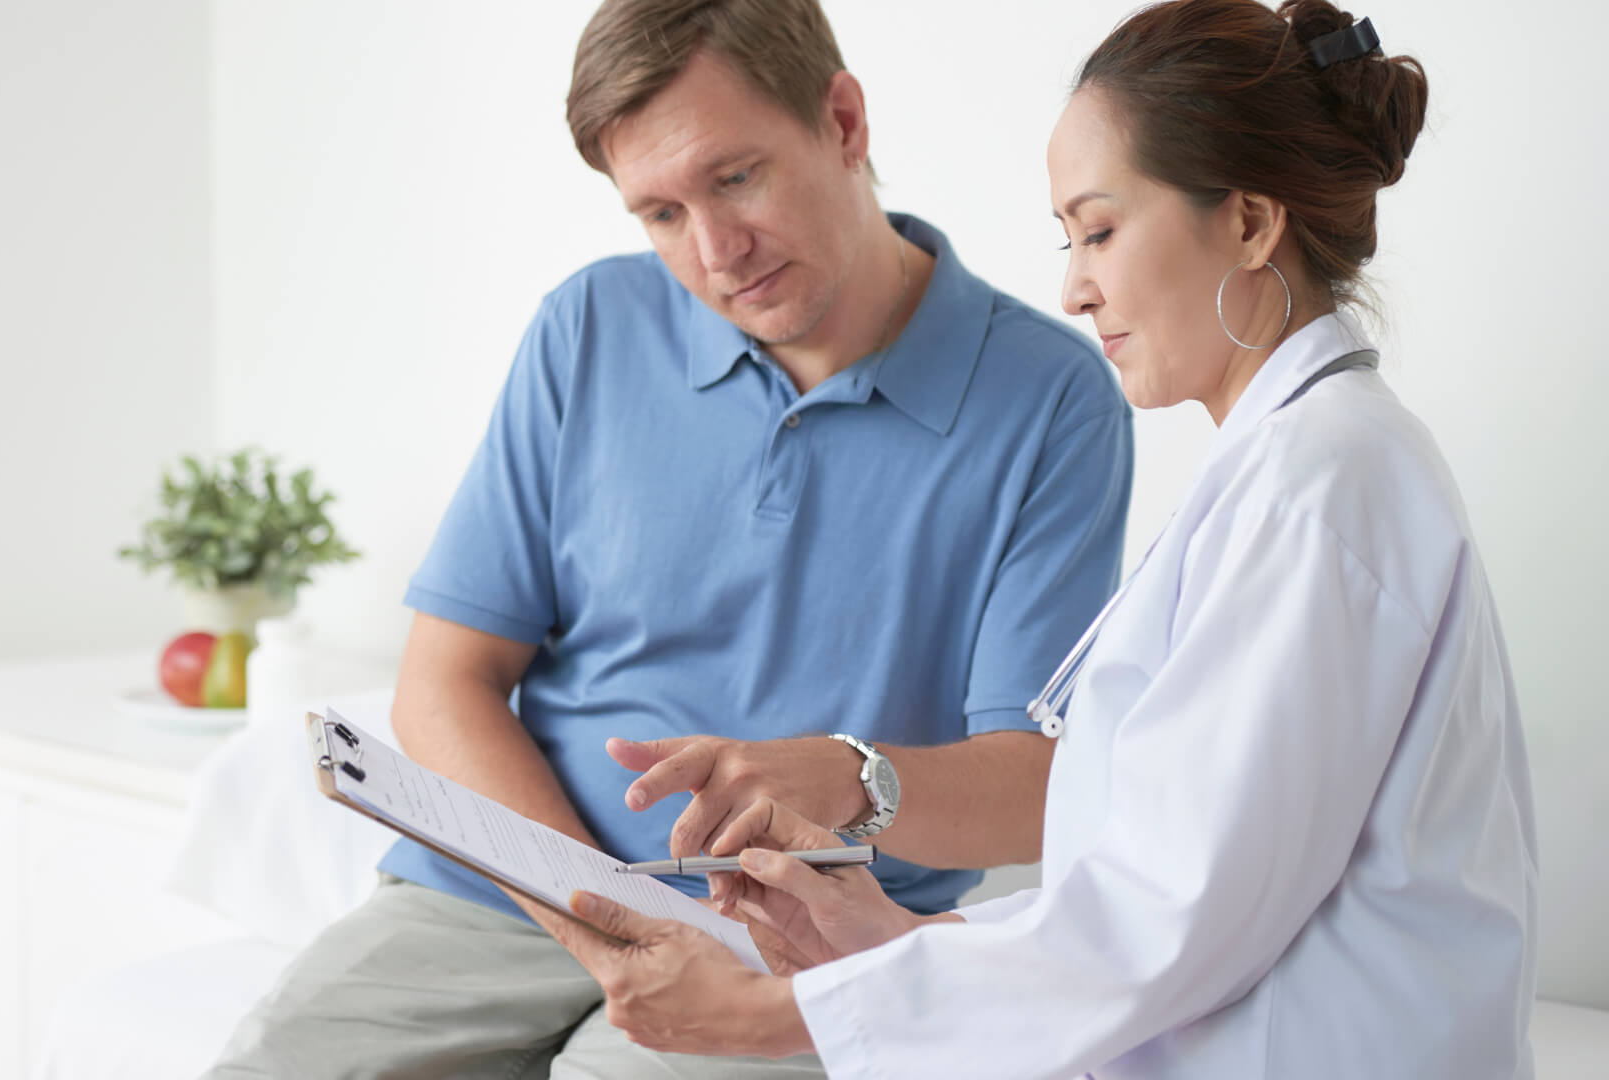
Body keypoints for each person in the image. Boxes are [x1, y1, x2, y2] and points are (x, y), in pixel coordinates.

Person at [554, 2, 1539, 1077]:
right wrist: (880, 942)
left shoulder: (1323, 489)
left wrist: (770, 1016)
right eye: (1066, 241)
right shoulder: (1289, 471)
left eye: (1102, 230)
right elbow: (1148, 900)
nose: (1074, 287)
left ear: (1252, 224)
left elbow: (1162, 930)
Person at [201, 1, 1132, 1077]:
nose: (715, 251)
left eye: (736, 178)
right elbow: (443, 683)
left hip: (799, 932)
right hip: (511, 895)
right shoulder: (588, 328)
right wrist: (600, 918)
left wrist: (844, 775)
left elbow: (1034, 791)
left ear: (842, 121)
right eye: (659, 213)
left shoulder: (1051, 400)